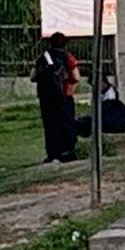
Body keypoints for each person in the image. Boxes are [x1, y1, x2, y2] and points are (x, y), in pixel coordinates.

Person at [30, 32, 78, 163]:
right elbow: (76, 76)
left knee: (51, 125)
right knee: (67, 123)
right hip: (64, 95)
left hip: (46, 97)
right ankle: (69, 151)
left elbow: (32, 77)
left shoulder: (42, 57)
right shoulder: (67, 57)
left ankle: (52, 153)